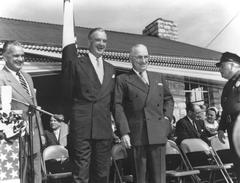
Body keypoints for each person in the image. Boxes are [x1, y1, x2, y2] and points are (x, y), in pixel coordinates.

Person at [62, 1, 116, 182]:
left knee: (102, 173)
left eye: (104, 40)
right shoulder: (77, 63)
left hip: (103, 129)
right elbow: (67, 93)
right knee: (81, 174)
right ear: (89, 42)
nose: (101, 43)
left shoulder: (111, 68)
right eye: (97, 40)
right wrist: (69, 118)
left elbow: (113, 101)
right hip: (82, 128)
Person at [114, 44, 174, 183]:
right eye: (139, 57)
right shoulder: (123, 79)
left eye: (146, 56)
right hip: (137, 135)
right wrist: (124, 132)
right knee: (141, 178)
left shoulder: (158, 77)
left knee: (159, 178)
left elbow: (169, 100)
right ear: (131, 59)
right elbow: (117, 107)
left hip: (158, 133)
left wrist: (166, 119)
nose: (144, 60)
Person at [0, 40, 45, 183]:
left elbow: (34, 105)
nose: (20, 59)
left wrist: (42, 133)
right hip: (15, 138)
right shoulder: (1, 78)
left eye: (22, 55)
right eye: (16, 56)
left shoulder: (27, 77)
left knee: (37, 175)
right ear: (4, 57)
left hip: (35, 136)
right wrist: (18, 122)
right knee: (20, 177)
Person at [216, 51, 240, 182]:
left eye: (222, 66)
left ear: (232, 65)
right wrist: (221, 127)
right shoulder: (228, 86)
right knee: (237, 163)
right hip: (233, 130)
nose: (220, 69)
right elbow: (226, 109)